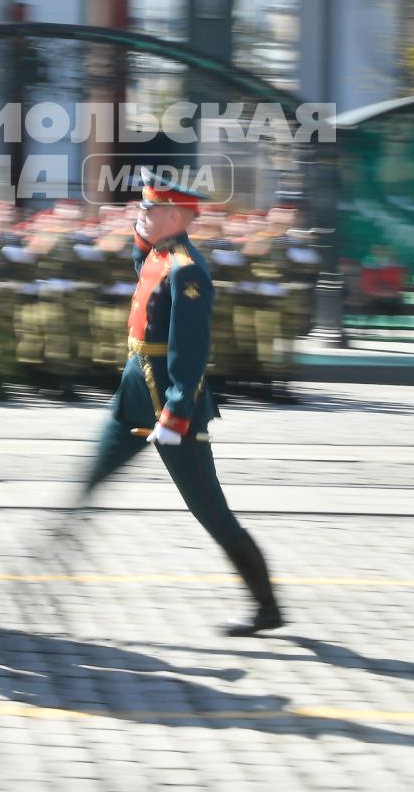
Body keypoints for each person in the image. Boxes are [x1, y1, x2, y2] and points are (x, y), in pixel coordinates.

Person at [70, 168, 283, 636]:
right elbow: (140, 266)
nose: (139, 214)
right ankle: (50, 562)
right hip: (134, 392)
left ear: (173, 215)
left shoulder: (187, 270)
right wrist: (139, 229)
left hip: (167, 401)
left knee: (210, 509)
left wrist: (177, 409)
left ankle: (267, 605)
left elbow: (191, 349)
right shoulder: (158, 255)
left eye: (148, 208)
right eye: (141, 207)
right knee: (84, 483)